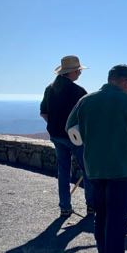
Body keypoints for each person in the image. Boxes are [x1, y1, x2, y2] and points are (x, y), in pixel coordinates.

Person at [67, 64, 127, 253]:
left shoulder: (85, 101)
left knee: (102, 215)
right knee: (117, 217)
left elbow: (70, 128)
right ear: (126, 82)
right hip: (121, 168)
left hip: (94, 168)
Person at [40, 55, 95, 217]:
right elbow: (88, 117)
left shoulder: (50, 89)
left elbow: (44, 113)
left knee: (63, 171)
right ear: (71, 72)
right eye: (78, 70)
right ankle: (91, 206)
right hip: (75, 138)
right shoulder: (78, 92)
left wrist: (55, 126)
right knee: (87, 170)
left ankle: (65, 207)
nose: (79, 73)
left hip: (56, 136)